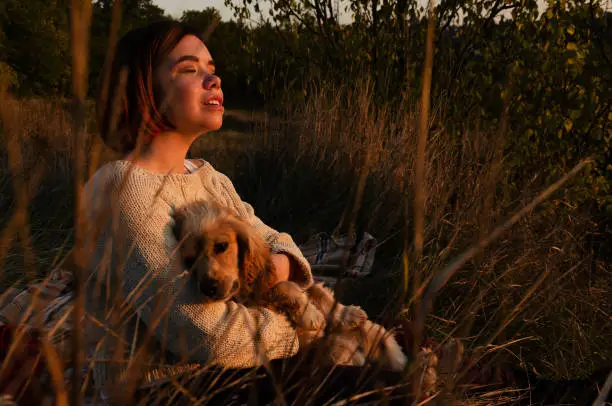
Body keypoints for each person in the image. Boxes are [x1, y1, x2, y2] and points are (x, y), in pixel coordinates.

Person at [82, 19, 410, 404]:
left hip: (239, 365)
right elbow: (200, 332)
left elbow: (281, 245)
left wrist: (272, 269)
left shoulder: (208, 179)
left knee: (402, 334)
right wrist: (303, 329)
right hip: (169, 388)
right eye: (189, 70)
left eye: (212, 70)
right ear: (143, 90)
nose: (213, 80)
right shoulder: (122, 188)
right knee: (381, 392)